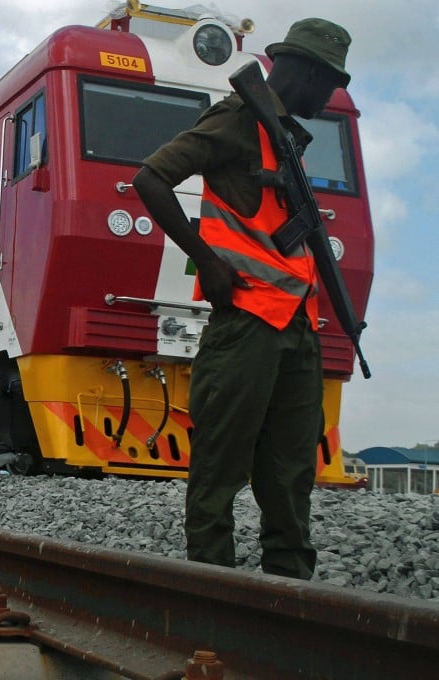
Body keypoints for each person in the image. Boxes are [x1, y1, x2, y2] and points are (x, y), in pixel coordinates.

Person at [132, 18, 353, 580]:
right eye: (328, 84)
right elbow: (152, 177)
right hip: (247, 324)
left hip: (297, 327)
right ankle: (214, 594)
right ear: (303, 71)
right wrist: (205, 260)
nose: (329, 98)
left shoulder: (284, 137)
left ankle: (288, 592)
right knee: (220, 468)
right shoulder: (237, 120)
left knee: (290, 474)